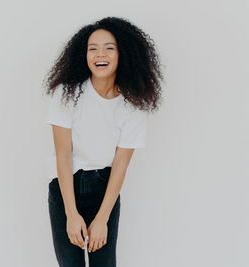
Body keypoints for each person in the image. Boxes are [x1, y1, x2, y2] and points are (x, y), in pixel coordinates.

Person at [43, 16, 163, 267]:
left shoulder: (133, 104)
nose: (101, 54)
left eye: (109, 48)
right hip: (66, 189)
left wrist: (102, 219)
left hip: (105, 190)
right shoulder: (67, 93)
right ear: (83, 55)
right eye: (93, 48)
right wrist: (71, 213)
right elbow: (63, 155)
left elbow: (120, 165)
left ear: (124, 54)